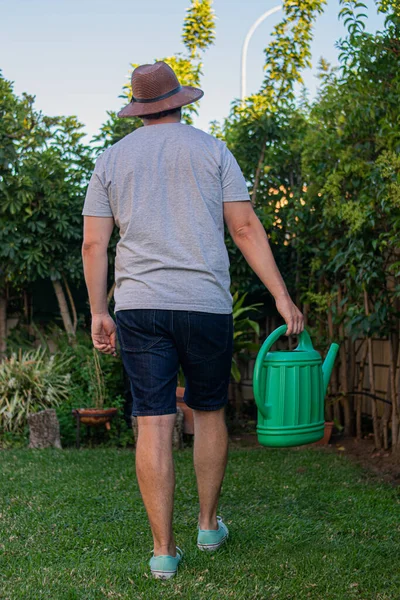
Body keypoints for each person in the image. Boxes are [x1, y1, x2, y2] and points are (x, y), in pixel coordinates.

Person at [81, 61, 304, 580]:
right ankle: (207, 526)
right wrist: (282, 296)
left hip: (139, 307)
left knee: (154, 421)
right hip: (205, 304)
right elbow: (245, 227)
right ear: (181, 101)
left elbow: (95, 243)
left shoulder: (111, 160)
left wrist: (98, 310)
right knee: (206, 412)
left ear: (138, 109)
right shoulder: (213, 150)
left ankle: (163, 551)